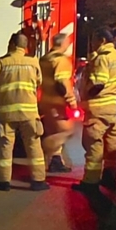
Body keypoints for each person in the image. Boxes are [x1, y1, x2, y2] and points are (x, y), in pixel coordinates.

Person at [0, 32, 48, 191]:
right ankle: (38, 181)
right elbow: (39, 83)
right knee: (33, 146)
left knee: (5, 147)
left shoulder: (1, 62)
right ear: (25, 47)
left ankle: (3, 181)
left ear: (12, 44)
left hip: (7, 114)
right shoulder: (34, 63)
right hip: (29, 113)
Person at [74, 28, 116, 193]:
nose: (93, 45)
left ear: (103, 40)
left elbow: (98, 83)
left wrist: (86, 97)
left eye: (95, 41)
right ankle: (109, 178)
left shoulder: (102, 59)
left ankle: (90, 183)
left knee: (93, 145)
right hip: (112, 109)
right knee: (111, 146)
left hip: (97, 109)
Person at [39, 33, 78, 174]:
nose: (68, 45)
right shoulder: (61, 61)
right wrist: (71, 101)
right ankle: (44, 148)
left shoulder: (44, 59)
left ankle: (55, 161)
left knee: (53, 130)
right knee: (67, 131)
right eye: (67, 42)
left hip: (45, 101)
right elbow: (61, 83)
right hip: (57, 103)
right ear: (63, 44)